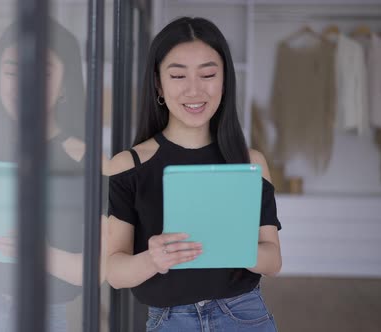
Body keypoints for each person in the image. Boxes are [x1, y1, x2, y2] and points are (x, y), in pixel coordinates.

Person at [106, 17, 282, 331]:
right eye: (177, 75)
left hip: (243, 316)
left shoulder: (249, 163)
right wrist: (152, 259)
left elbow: (273, 261)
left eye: (208, 74)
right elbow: (114, 272)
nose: (194, 89)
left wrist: (233, 246)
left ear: (225, 80)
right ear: (158, 83)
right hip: (169, 320)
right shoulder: (128, 165)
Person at [0, 18, 107, 332]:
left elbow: (97, 271)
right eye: (12, 71)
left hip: (42, 314)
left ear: (65, 83)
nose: (23, 85)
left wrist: (38, 252)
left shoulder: (83, 158)